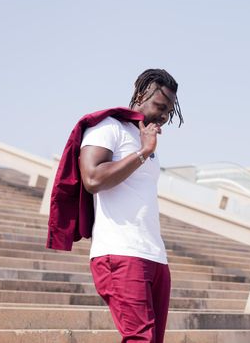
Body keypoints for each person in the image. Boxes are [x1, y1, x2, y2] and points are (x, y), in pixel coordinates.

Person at [78, 69, 183, 343]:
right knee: (141, 340)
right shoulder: (108, 128)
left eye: (168, 112)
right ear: (140, 95)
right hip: (120, 252)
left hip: (154, 255)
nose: (163, 116)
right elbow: (92, 178)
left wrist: (146, 149)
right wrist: (143, 152)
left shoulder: (147, 142)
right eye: (160, 106)